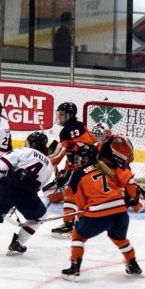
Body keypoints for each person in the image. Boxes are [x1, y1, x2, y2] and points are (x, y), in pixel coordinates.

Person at [60, 144, 143, 281]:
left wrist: (80, 215)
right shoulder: (107, 167)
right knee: (120, 240)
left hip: (98, 215)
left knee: (78, 236)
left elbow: (79, 201)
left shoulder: (79, 174)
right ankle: (132, 264)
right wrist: (133, 196)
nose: (79, 161)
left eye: (82, 159)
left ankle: (74, 268)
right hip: (120, 213)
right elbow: (127, 178)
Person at [48, 101, 95, 237]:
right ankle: (80, 222)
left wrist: (56, 160)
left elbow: (83, 147)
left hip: (85, 165)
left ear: (70, 115)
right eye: (59, 114)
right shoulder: (69, 129)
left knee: (71, 191)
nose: (60, 117)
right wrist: (65, 172)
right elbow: (71, 154)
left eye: (62, 115)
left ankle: (69, 224)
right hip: (83, 165)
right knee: (78, 193)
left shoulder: (74, 128)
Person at [91, 124, 145, 212]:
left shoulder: (116, 141)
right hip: (109, 171)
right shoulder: (97, 145)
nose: (97, 137)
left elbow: (128, 158)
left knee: (135, 204)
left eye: (100, 135)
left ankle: (142, 194)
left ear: (108, 133)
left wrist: (118, 163)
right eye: (96, 135)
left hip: (120, 169)